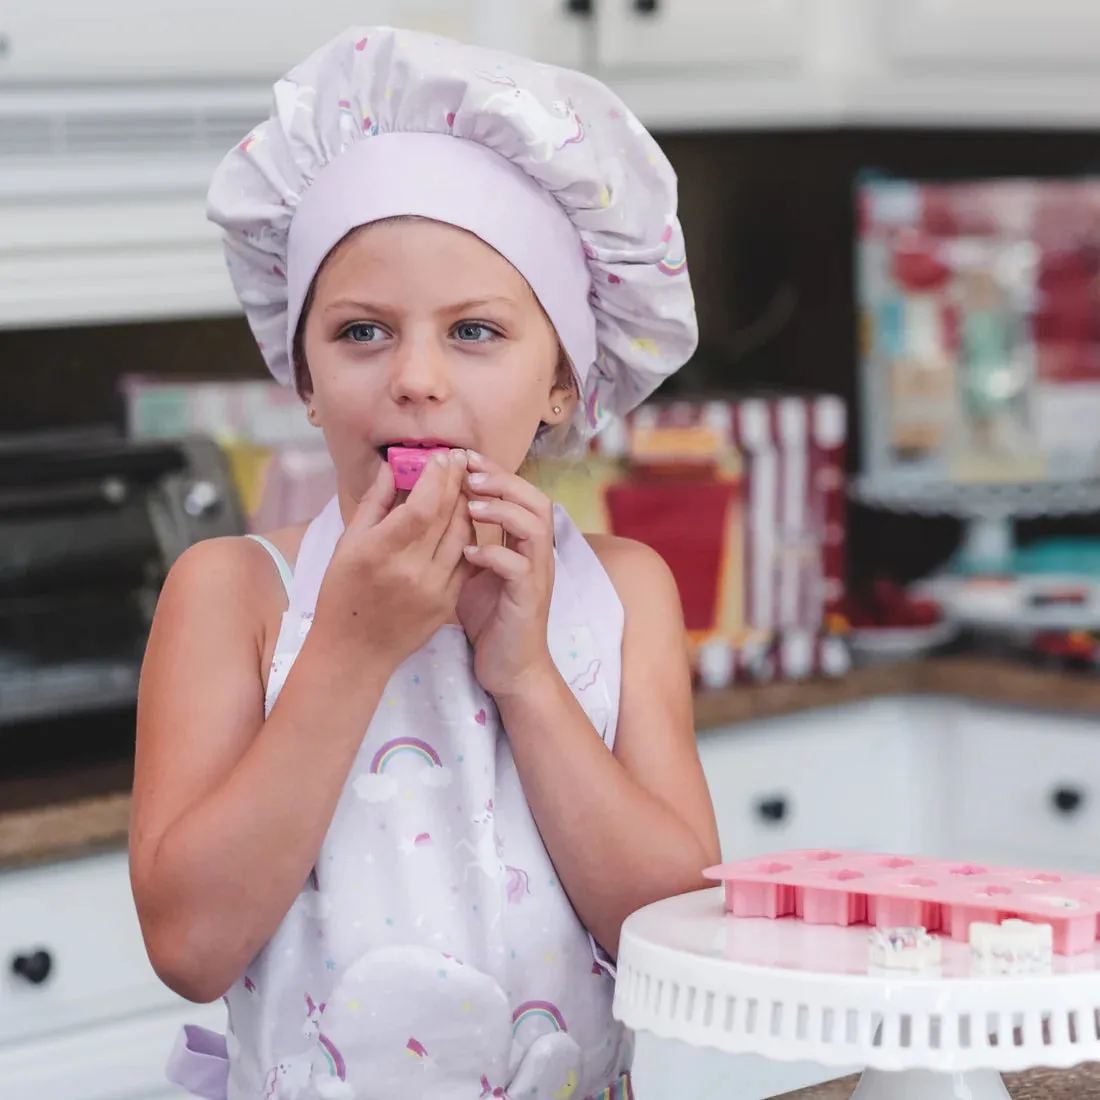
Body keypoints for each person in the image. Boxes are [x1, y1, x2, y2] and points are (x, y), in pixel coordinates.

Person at [130, 25, 720, 1100]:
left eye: (475, 331)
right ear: (300, 374)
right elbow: (189, 944)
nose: (412, 378)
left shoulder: (621, 591)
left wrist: (528, 676)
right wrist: (351, 648)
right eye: (359, 331)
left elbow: (673, 934)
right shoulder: (234, 594)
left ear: (561, 384)